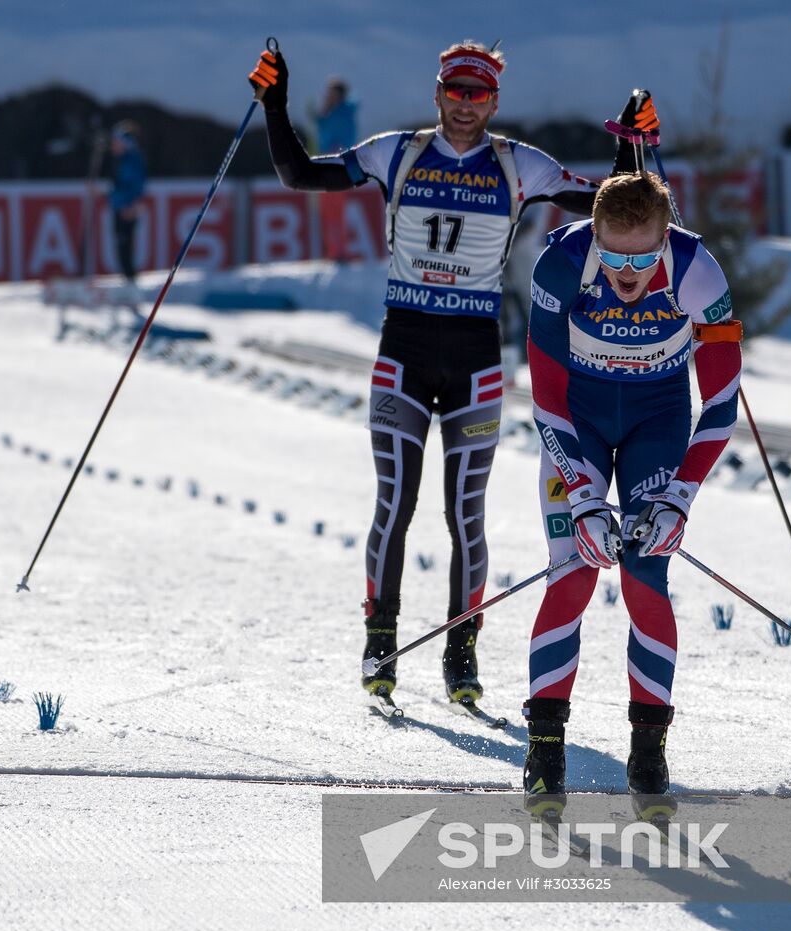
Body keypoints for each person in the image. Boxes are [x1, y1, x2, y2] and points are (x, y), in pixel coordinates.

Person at [248, 41, 650, 704]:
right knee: (395, 506)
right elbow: (298, 174)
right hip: (402, 352)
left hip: (475, 362)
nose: (466, 105)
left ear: (494, 100)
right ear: (439, 94)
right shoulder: (396, 153)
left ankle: (460, 657)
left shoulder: (519, 164)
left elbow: (612, 203)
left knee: (466, 516)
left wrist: (632, 143)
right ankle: (381, 644)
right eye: (455, 92)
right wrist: (278, 101)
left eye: (478, 94)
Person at [524, 171, 743, 818]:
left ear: (665, 237)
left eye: (643, 258)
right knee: (573, 572)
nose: (626, 272)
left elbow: (723, 403)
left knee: (645, 571)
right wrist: (583, 494)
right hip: (578, 420)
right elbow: (545, 396)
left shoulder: (698, 270)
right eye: (614, 255)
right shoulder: (561, 263)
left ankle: (648, 756)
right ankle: (544, 748)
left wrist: (681, 496)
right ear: (593, 234)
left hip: (658, 419)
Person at [311, 77, 358, 261]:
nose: (328, 96)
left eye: (332, 93)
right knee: (330, 210)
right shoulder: (340, 112)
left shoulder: (340, 114)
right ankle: (335, 251)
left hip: (335, 165)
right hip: (332, 165)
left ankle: (339, 252)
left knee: (333, 209)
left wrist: (320, 118)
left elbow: (334, 138)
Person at [109, 121, 147, 283]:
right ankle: (128, 281)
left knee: (125, 246)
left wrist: (130, 204)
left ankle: (130, 282)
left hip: (127, 209)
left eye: (116, 142)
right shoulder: (122, 160)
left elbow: (136, 186)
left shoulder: (132, 160)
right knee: (121, 247)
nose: (113, 146)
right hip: (120, 207)